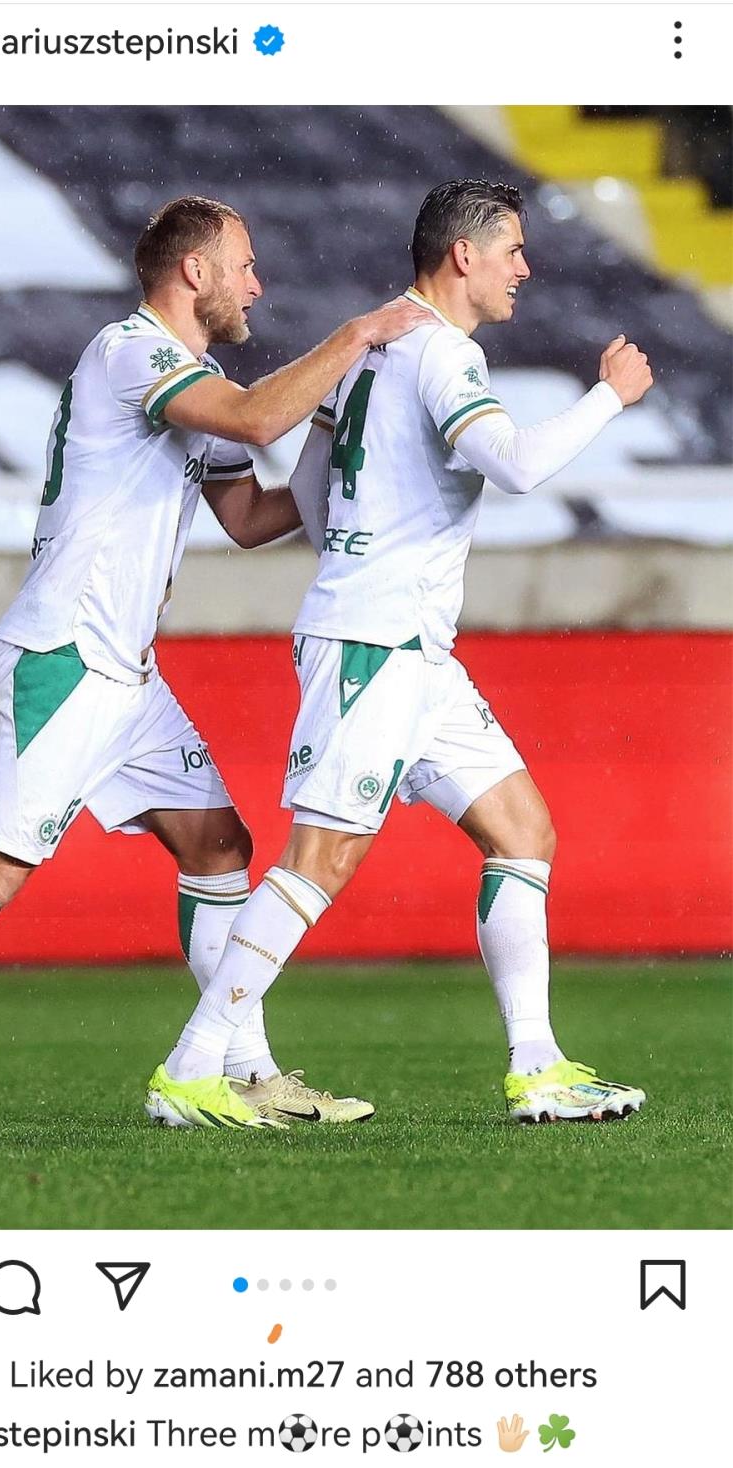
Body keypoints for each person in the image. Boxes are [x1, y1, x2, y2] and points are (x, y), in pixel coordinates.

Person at [0, 196, 433, 1136]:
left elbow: (253, 519)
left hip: (128, 678)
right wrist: (356, 336)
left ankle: (244, 1072)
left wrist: (330, 425)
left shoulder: (198, 379)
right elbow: (251, 420)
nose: (257, 285)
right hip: (66, 658)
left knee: (220, 846)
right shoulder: (129, 352)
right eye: (244, 264)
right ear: (195, 271)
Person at [150, 179, 653, 1128]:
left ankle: (538, 1066)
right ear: (463, 254)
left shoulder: (362, 350)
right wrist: (609, 397)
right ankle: (192, 1065)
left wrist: (370, 528)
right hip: (373, 645)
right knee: (320, 860)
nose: (524, 268)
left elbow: (308, 500)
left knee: (523, 832)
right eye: (512, 250)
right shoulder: (443, 351)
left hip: (411, 646)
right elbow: (516, 465)